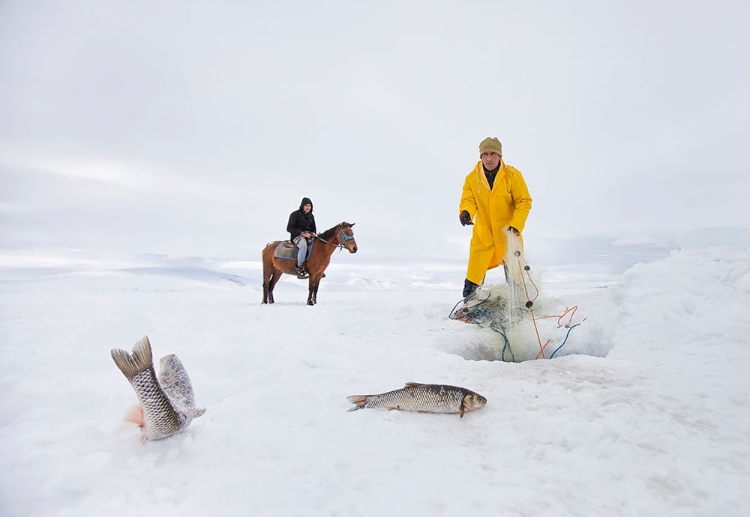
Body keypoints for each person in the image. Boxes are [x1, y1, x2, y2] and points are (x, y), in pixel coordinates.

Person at [458, 137, 532, 299]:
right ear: (480, 157)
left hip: (509, 233)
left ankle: (519, 304)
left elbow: (524, 201)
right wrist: (466, 212)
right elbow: (468, 200)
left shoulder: (512, 175)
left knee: (515, 276)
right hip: (484, 234)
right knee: (473, 275)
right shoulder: (472, 178)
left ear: (500, 156)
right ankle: (469, 304)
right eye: (485, 154)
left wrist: (516, 224)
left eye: (493, 154)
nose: (489, 158)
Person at [287, 197, 317, 279]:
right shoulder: (295, 214)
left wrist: (313, 234)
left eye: (309, 206)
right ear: (302, 206)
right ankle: (299, 267)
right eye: (306, 205)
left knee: (318, 245)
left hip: (309, 236)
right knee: (303, 246)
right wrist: (302, 233)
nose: (308, 207)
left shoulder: (311, 216)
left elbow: (314, 228)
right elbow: (289, 228)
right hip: (296, 236)